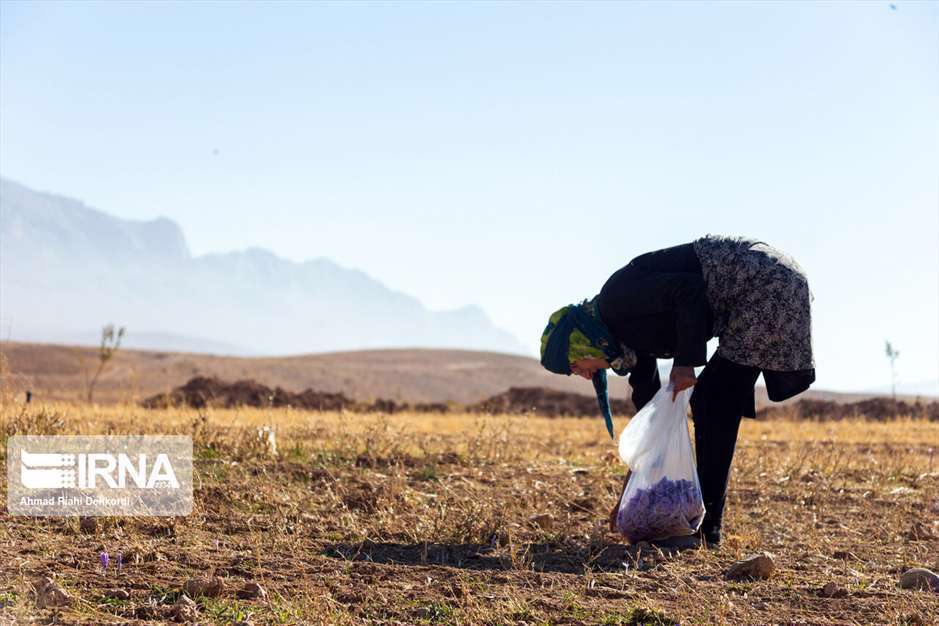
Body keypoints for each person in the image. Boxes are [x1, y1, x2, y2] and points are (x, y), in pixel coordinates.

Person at [539, 235, 815, 548]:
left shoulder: (617, 301)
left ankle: (704, 529)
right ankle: (703, 528)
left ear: (582, 341)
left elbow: (690, 291)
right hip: (756, 293)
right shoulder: (628, 343)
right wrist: (628, 495)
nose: (584, 374)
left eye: (574, 365)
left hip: (764, 284)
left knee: (712, 402)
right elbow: (651, 426)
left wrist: (685, 363)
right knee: (714, 402)